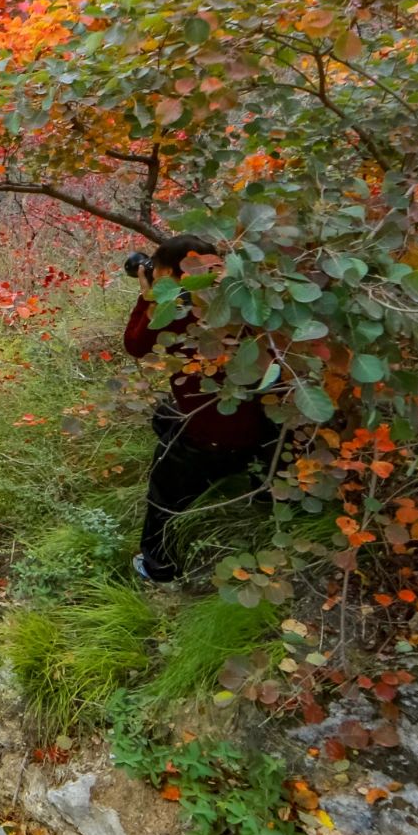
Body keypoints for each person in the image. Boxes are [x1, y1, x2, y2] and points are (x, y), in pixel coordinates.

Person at [123, 234, 274, 583]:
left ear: (174, 273)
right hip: (266, 424)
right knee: (165, 413)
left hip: (213, 435)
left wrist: (148, 297)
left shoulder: (176, 310)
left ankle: (158, 567)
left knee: (163, 492)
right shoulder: (240, 297)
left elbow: (136, 345)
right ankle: (262, 492)